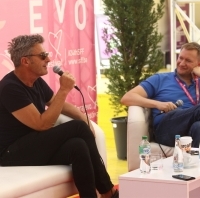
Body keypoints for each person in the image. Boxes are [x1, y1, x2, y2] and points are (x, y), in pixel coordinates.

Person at [0, 34, 119, 198]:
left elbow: (57, 104)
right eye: (42, 56)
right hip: (10, 153)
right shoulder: (10, 88)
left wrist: (85, 120)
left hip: (33, 144)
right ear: (25, 61)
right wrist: (64, 90)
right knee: (76, 128)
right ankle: (108, 192)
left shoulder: (36, 81)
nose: (48, 59)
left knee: (78, 146)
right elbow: (42, 125)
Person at [121, 42, 200, 149]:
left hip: (190, 130)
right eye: (180, 58)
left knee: (198, 127)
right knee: (195, 111)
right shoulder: (160, 79)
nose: (182, 63)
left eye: (188, 60)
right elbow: (127, 98)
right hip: (167, 129)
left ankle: (195, 163)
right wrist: (158, 104)